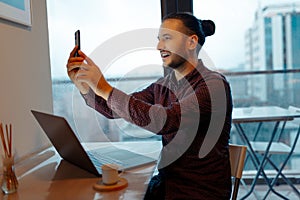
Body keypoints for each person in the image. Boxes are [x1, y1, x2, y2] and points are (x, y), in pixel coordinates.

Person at [67, 12, 233, 200]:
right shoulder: (164, 85)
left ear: (191, 42)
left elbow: (166, 120)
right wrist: (83, 86)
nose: (159, 46)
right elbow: (113, 109)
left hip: (200, 192)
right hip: (167, 184)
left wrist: (104, 87)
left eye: (167, 38)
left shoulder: (213, 85)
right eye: (159, 40)